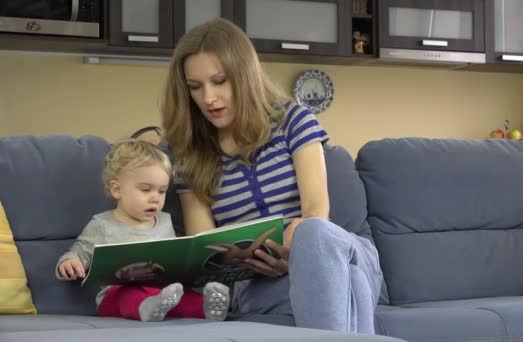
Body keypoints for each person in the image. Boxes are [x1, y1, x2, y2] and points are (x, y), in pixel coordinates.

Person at [161, 18, 383, 333]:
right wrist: (251, 261)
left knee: (314, 235)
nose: (208, 98)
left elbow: (316, 211)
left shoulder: (294, 120)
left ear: (245, 76)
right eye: (195, 87)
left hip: (332, 253)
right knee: (352, 287)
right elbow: (206, 250)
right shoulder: (187, 152)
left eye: (219, 81)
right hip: (257, 279)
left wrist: (295, 257)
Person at [56, 139, 230, 322]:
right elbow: (80, 250)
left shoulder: (165, 220)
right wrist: (70, 261)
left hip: (162, 291)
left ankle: (207, 308)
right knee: (129, 295)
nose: (156, 198)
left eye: (162, 191)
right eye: (146, 190)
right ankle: (147, 307)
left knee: (184, 297)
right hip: (117, 295)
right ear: (117, 190)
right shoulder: (102, 224)